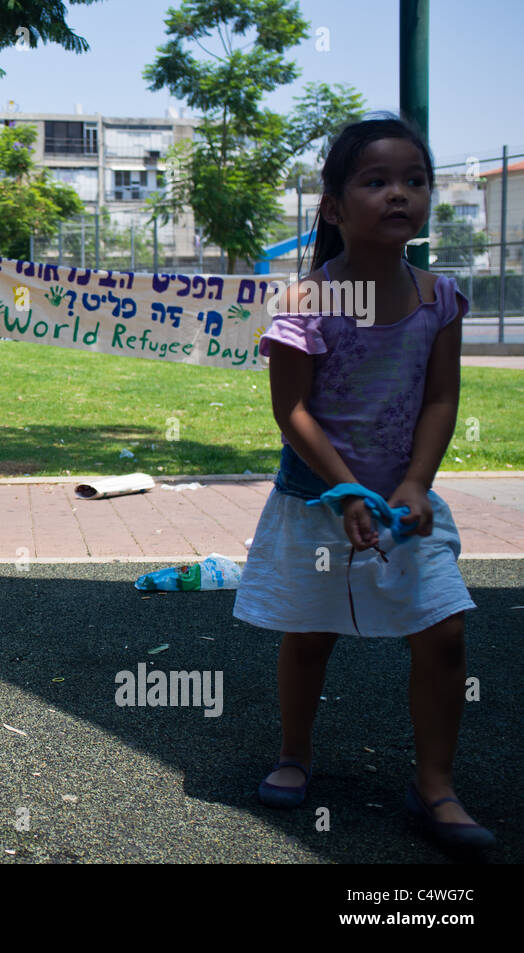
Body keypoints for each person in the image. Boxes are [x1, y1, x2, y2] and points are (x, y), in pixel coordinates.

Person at [232, 117, 493, 851]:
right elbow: (292, 411)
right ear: (333, 207)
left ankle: (435, 785)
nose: (400, 194)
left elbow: (442, 398)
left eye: (415, 180)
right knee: (309, 637)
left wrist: (415, 482)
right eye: (375, 181)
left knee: (444, 633)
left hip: (409, 507)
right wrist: (347, 490)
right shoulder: (305, 302)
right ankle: (294, 753)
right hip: (317, 502)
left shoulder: (439, 298)